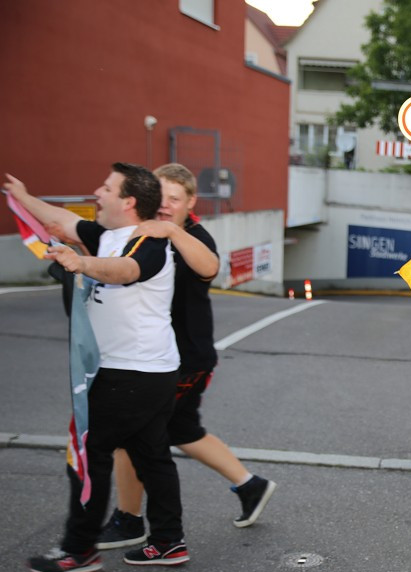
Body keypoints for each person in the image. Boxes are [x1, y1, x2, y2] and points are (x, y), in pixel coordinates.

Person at [5, 164, 190, 572]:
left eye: (105, 188)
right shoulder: (105, 235)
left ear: (128, 201)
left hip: (133, 373)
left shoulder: (149, 242)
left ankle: (80, 549)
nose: (96, 193)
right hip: (146, 370)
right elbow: (59, 221)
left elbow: (126, 272)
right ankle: (167, 541)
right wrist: (21, 195)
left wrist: (80, 265)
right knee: (151, 455)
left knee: (88, 453)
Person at [96, 163, 276, 550]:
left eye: (174, 200)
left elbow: (211, 266)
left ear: (191, 202)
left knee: (134, 434)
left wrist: (173, 231)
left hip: (185, 359)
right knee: (181, 429)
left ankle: (130, 520)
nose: (165, 207)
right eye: (160, 199)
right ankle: (251, 485)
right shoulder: (145, 232)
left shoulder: (193, 235)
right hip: (162, 357)